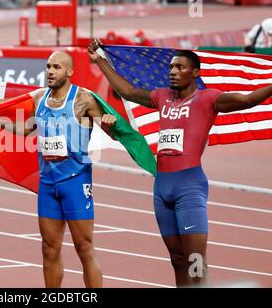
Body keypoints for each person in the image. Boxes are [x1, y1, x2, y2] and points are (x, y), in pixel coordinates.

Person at [88, 39, 272, 287]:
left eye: (180, 68)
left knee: (195, 261)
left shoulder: (209, 99)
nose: (173, 72)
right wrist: (100, 60)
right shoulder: (162, 96)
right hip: (162, 188)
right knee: (177, 260)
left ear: (195, 72)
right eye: (171, 67)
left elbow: (247, 101)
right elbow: (129, 92)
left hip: (189, 187)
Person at [0, 51, 117, 288]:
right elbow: (28, 129)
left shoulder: (84, 100)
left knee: (84, 248)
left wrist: (109, 125)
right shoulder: (39, 99)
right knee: (49, 249)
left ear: (70, 72)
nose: (50, 71)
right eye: (48, 67)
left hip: (75, 182)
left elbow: (112, 133)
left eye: (56, 67)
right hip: (48, 183)